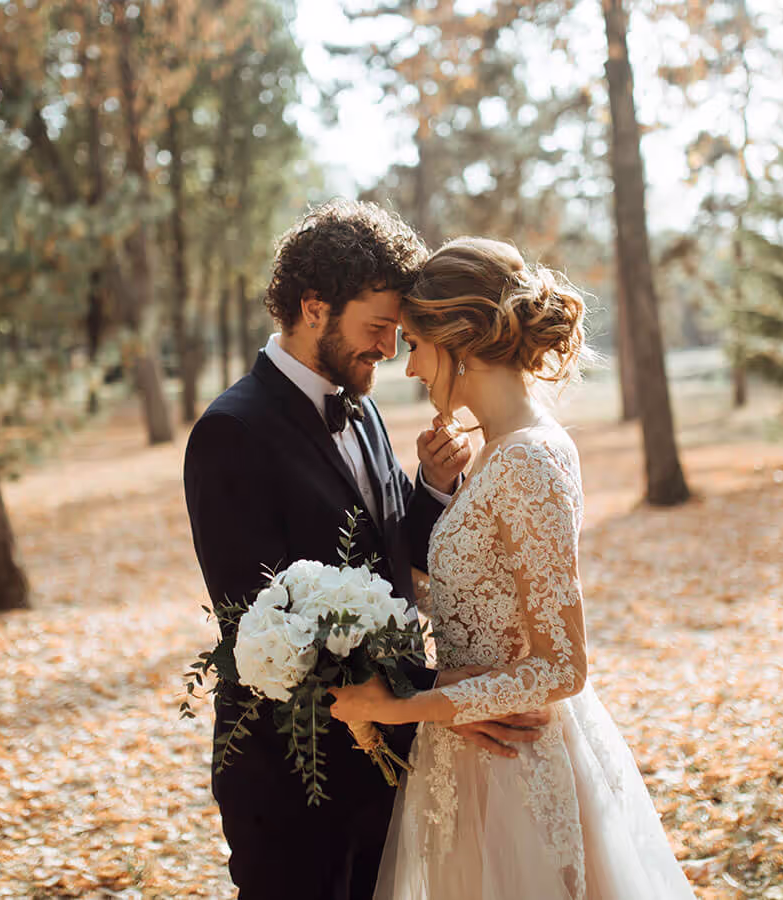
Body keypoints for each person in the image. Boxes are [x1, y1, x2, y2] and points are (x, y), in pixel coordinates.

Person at [183, 202, 548, 900]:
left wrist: (433, 490)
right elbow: (263, 626)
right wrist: (439, 696)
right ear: (314, 308)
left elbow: (382, 562)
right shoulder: (231, 433)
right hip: (294, 774)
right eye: (377, 328)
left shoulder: (366, 406)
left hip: (388, 761)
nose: (389, 348)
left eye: (397, 331)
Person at [329, 237, 698, 899]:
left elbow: (563, 665)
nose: (410, 368)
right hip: (468, 763)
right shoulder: (496, 454)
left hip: (514, 772)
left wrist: (410, 705)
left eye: (415, 342)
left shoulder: (529, 460)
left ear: (458, 338)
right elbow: (477, 594)